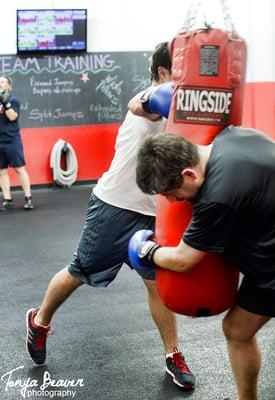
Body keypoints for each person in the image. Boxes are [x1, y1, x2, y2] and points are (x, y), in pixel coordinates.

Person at [26, 42, 195, 390]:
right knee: (78, 271)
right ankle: (40, 322)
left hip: (152, 214)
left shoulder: (181, 110)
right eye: (179, 72)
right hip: (115, 208)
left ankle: (173, 353)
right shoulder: (150, 101)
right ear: (163, 73)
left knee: (158, 285)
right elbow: (145, 106)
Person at [130, 127, 275, 400]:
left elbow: (184, 261)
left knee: (237, 330)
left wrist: (145, 250)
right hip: (266, 262)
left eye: (172, 193)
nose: (172, 201)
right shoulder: (232, 136)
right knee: (237, 329)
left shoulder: (217, 196)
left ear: (189, 174)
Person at [0, 75, 33, 210]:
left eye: (2, 82)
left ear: (9, 86)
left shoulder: (13, 100)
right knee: (1, 171)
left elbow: (13, 117)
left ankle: (28, 198)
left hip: (12, 140)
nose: (0, 84)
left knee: (19, 169)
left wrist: (5, 104)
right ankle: (7, 199)